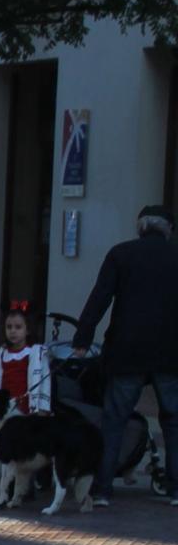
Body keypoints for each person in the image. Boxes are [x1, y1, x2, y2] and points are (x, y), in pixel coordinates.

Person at [72, 204, 178, 507]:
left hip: (126, 351)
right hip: (171, 353)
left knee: (114, 420)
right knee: (173, 422)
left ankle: (103, 489)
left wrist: (83, 337)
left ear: (140, 227)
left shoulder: (121, 254)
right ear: (168, 229)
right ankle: (175, 489)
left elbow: (100, 297)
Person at [0, 302, 51, 419]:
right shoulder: (0, 355)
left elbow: (44, 383)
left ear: (28, 330)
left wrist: (43, 408)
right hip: (3, 411)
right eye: (9, 327)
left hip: (27, 411)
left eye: (18, 327)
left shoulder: (36, 354)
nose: (13, 331)